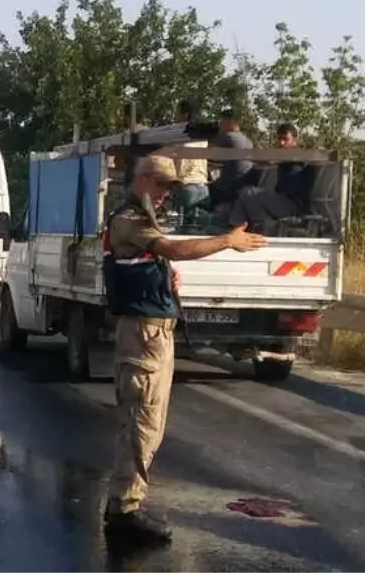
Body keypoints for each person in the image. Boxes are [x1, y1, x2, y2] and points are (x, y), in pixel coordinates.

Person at [102, 155, 267, 542]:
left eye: (171, 188)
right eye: (161, 185)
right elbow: (172, 249)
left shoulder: (141, 215)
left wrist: (160, 275)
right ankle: (124, 510)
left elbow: (152, 260)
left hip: (154, 332)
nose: (165, 195)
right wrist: (227, 241)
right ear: (142, 179)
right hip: (143, 335)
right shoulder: (130, 217)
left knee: (148, 424)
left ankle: (127, 504)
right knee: (141, 424)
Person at [227, 123, 310, 231]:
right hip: (282, 200)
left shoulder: (296, 153)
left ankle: (259, 228)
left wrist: (246, 155)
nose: (281, 142)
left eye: (285, 139)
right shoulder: (285, 157)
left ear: (295, 140)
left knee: (248, 192)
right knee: (244, 195)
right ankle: (237, 229)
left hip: (294, 206)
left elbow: (270, 160)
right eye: (279, 139)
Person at [168, 99, 210, 219]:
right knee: (200, 230)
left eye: (177, 112)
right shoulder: (203, 137)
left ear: (185, 114)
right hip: (203, 187)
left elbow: (176, 165)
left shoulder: (181, 136)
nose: (175, 116)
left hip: (186, 186)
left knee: (183, 228)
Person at [208, 108, 255, 209]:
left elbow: (210, 155)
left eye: (221, 121)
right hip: (243, 185)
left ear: (230, 122)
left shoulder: (228, 137)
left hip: (231, 189)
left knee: (202, 191)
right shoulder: (248, 140)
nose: (219, 124)